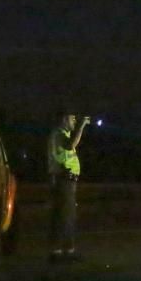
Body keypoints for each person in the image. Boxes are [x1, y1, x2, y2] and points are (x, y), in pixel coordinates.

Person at [47, 111, 90, 263]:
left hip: (66, 180)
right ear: (64, 120)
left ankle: (63, 250)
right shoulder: (59, 134)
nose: (74, 121)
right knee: (65, 215)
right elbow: (71, 144)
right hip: (63, 180)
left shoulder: (60, 134)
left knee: (66, 215)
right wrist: (82, 125)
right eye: (72, 119)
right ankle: (61, 252)